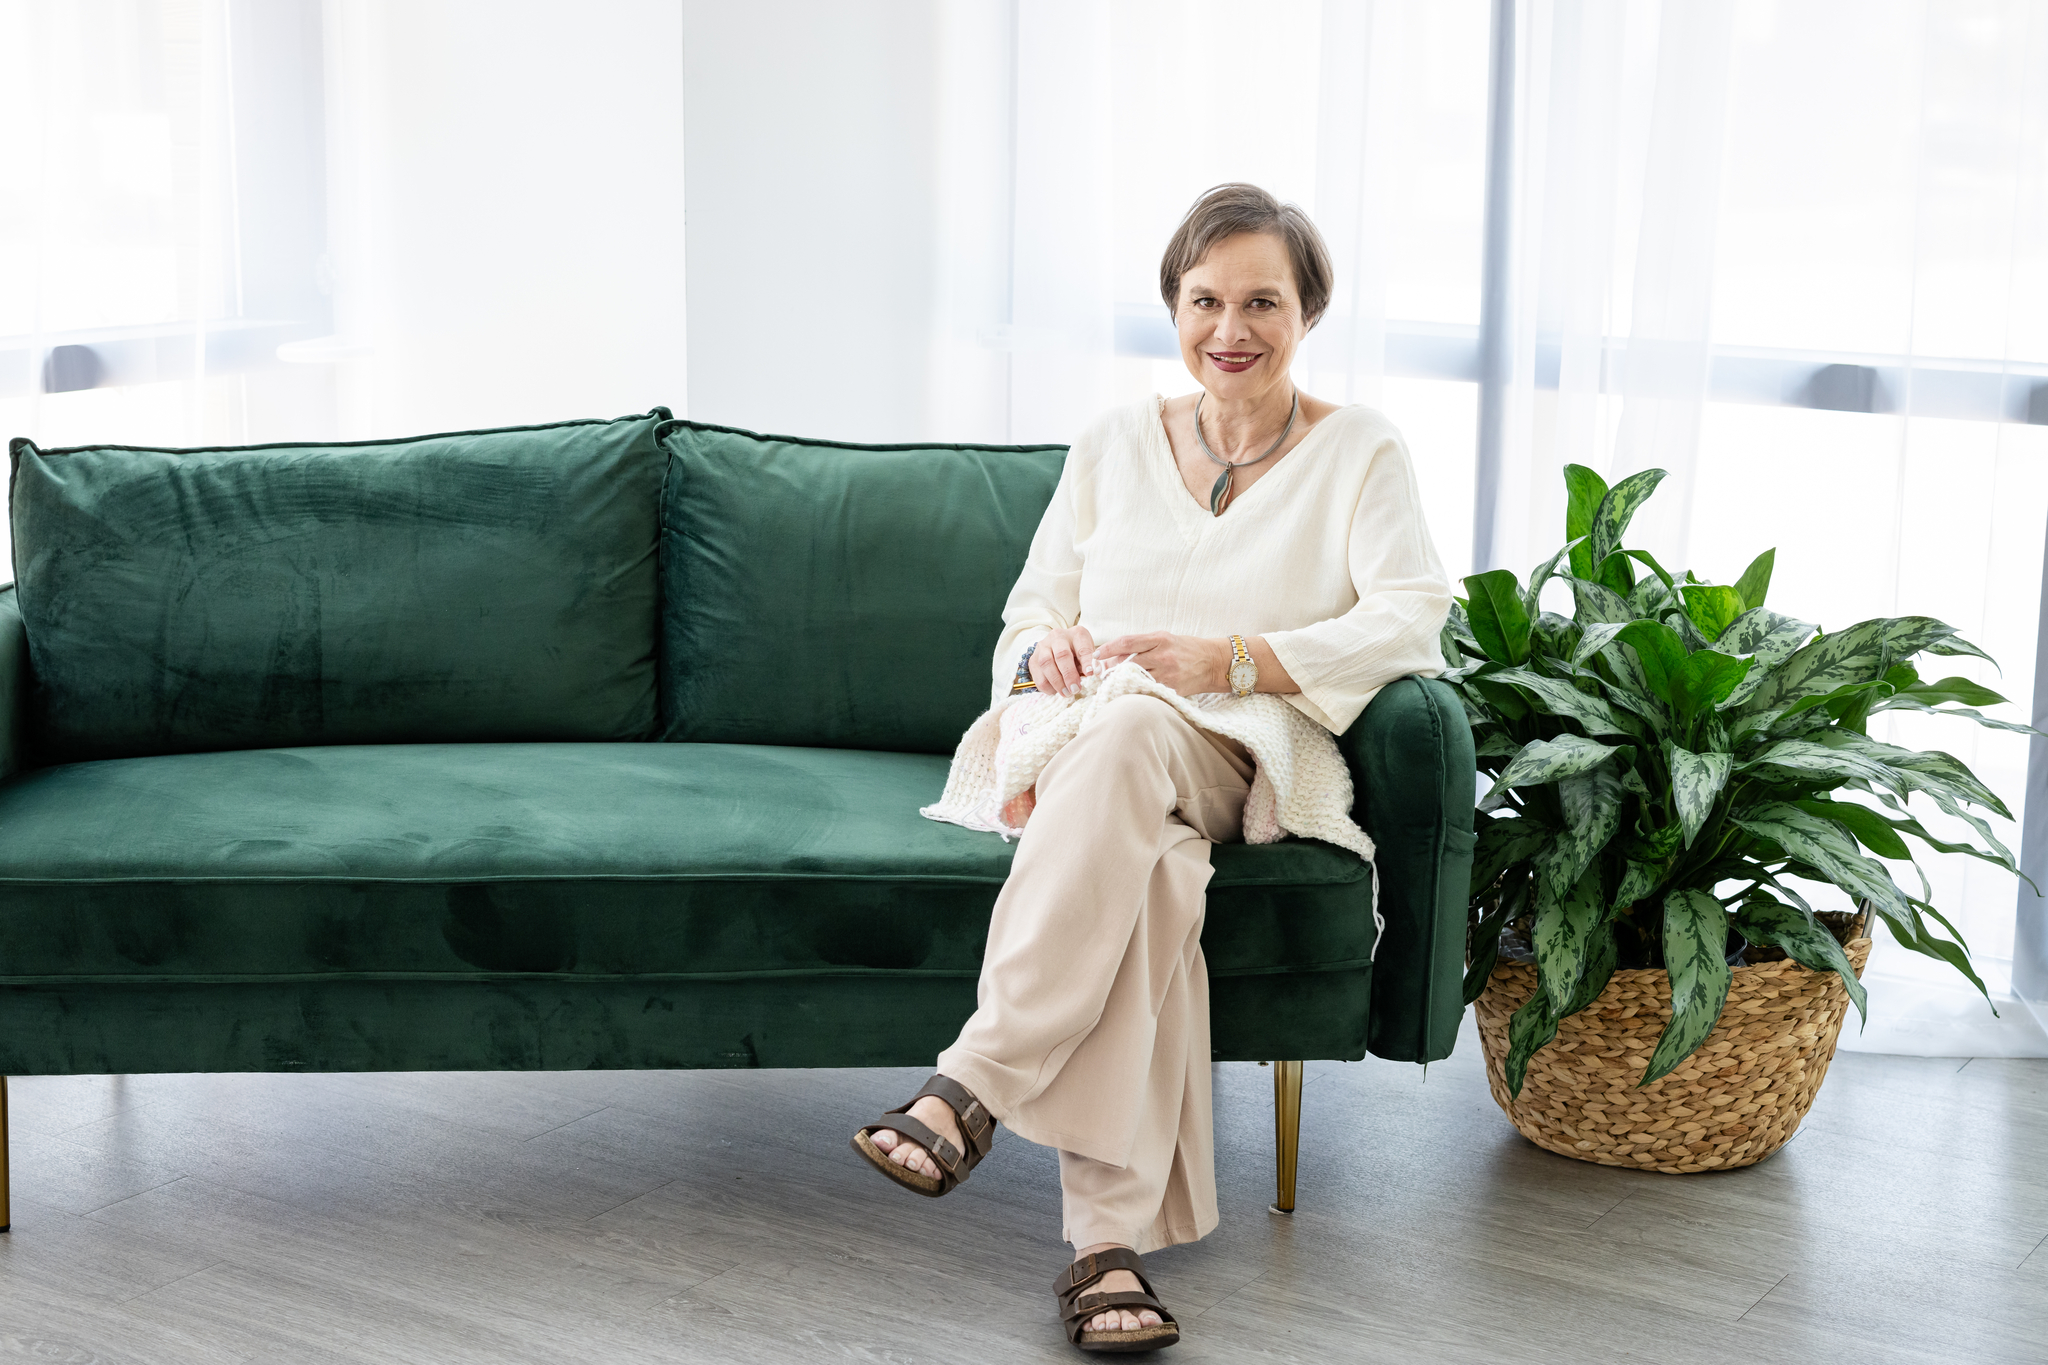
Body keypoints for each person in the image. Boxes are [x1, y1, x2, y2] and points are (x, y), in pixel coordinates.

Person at [850, 183, 1452, 1353]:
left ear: (1307, 311)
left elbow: (1410, 618)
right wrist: (1048, 648)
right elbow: (1027, 616)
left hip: (1237, 749)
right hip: (1090, 749)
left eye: (1261, 302)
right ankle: (1102, 1253)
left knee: (1133, 738)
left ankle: (973, 1079)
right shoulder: (1113, 440)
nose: (1230, 328)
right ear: (1172, 309)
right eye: (1203, 299)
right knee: (1156, 885)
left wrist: (1234, 656)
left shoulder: (1359, 450)